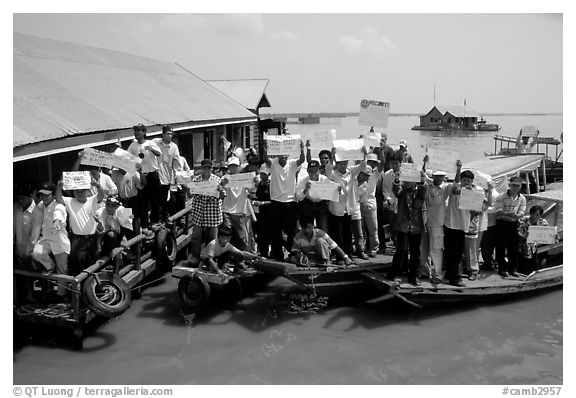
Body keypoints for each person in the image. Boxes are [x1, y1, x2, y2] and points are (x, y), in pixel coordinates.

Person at [262, 138, 306, 261]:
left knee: (291, 231)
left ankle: (293, 253)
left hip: (290, 202)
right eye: (281, 154)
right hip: (276, 202)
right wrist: (265, 149)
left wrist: (302, 148)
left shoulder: (292, 163)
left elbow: (302, 159)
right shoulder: (273, 163)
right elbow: (266, 159)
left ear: (288, 154)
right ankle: (277, 253)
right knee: (275, 230)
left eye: (285, 154)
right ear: (277, 154)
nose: (283, 156)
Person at [56, 175, 105, 276]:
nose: (79, 193)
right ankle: (77, 289)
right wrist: (59, 186)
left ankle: (90, 286)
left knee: (92, 263)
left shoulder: (92, 200)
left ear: (88, 191)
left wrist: (98, 186)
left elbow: (101, 195)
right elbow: (59, 198)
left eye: (82, 190)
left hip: (92, 238)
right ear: (73, 192)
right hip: (77, 239)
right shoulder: (70, 201)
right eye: (77, 190)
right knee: (76, 264)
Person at [326, 148, 368, 260]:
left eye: (344, 163)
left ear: (347, 163)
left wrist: (364, 153)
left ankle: (348, 254)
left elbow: (363, 165)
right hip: (336, 208)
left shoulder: (351, 171)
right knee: (336, 234)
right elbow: (328, 169)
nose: (343, 166)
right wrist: (332, 156)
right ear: (337, 164)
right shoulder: (333, 174)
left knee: (347, 233)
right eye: (340, 164)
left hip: (348, 208)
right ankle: (339, 256)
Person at [30, 182, 71, 298]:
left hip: (59, 240)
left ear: (53, 195)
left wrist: (57, 223)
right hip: (46, 239)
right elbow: (34, 209)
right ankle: (50, 266)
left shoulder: (58, 206)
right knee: (36, 253)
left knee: (62, 270)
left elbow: (58, 216)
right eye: (42, 195)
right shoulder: (42, 205)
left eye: (47, 195)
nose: (44, 197)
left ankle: (61, 295)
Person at [385, 175, 427, 286]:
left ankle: (413, 276)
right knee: (401, 250)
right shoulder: (403, 192)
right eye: (406, 180)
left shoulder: (419, 193)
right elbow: (396, 190)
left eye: (410, 180)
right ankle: (392, 274)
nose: (407, 182)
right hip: (403, 226)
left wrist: (422, 181)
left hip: (416, 227)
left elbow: (423, 190)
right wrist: (397, 180)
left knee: (415, 252)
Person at [188, 159, 227, 261]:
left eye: (208, 168)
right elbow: (189, 194)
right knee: (196, 238)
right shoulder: (196, 180)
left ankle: (210, 260)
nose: (206, 170)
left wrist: (221, 190)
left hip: (213, 215)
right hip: (198, 214)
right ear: (201, 168)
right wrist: (186, 185)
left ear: (211, 169)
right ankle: (195, 258)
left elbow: (223, 196)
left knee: (212, 240)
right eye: (204, 167)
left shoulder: (217, 180)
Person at [183, 225, 260, 276]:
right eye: (223, 238)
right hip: (205, 258)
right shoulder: (213, 244)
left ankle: (227, 267)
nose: (225, 240)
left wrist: (255, 256)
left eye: (227, 238)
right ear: (219, 237)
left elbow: (242, 253)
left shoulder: (227, 245)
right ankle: (214, 268)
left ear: (230, 238)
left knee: (235, 253)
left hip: (217, 257)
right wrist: (218, 271)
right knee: (212, 266)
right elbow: (210, 259)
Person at [127, 124, 162, 229]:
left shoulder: (150, 143)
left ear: (144, 132)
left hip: (152, 174)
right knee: (143, 201)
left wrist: (150, 149)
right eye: (135, 131)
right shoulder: (133, 145)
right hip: (141, 175)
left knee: (155, 200)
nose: (136, 133)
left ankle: (155, 221)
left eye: (138, 131)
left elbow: (159, 153)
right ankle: (145, 224)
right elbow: (128, 157)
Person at [443, 162, 472, 287]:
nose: (466, 182)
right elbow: (455, 184)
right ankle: (453, 276)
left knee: (458, 253)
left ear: (471, 181)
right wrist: (459, 169)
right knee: (450, 252)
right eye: (464, 180)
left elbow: (476, 209)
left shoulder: (473, 193)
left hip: (462, 227)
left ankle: (454, 276)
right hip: (450, 224)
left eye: (468, 180)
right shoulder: (454, 189)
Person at [493, 176, 526, 277]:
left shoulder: (522, 198)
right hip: (502, 223)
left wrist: (517, 215)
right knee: (500, 246)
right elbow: (497, 211)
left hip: (513, 223)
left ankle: (513, 269)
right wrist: (506, 214)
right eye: (513, 185)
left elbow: (522, 211)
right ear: (509, 185)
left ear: (520, 186)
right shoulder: (501, 196)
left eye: (517, 185)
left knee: (513, 247)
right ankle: (502, 268)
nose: (515, 187)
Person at [421, 170, 451, 284]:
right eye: (436, 176)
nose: (438, 178)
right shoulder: (428, 186)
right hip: (424, 222)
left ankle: (438, 274)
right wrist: (425, 162)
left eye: (441, 176)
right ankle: (425, 272)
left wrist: (458, 169)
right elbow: (422, 175)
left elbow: (456, 183)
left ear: (443, 177)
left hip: (437, 224)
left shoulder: (445, 189)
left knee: (436, 249)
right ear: (433, 177)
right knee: (424, 250)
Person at [221, 156, 253, 252]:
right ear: (228, 168)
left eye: (235, 166)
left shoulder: (244, 178)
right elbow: (218, 187)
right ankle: (226, 258)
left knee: (241, 237)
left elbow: (251, 189)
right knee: (226, 236)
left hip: (239, 212)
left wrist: (254, 181)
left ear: (239, 167)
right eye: (231, 166)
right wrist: (222, 184)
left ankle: (241, 260)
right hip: (227, 211)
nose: (233, 168)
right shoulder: (225, 178)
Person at [357, 152, 384, 257]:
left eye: (374, 162)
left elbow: (382, 164)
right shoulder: (359, 171)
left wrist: (381, 150)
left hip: (371, 203)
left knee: (373, 228)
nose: (372, 164)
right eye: (370, 161)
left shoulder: (376, 173)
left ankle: (374, 249)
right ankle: (362, 249)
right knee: (360, 230)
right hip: (359, 203)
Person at [152, 125, 181, 222]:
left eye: (171, 134)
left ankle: (164, 219)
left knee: (165, 201)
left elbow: (176, 164)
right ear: (163, 134)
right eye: (168, 134)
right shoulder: (156, 142)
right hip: (156, 176)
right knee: (155, 201)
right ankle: (155, 220)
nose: (170, 136)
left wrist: (177, 177)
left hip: (167, 178)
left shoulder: (174, 147)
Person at [13, 183, 43, 268]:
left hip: (29, 254)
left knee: (31, 277)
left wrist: (26, 254)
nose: (20, 201)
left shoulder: (37, 212)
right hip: (16, 252)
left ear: (30, 196)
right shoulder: (16, 207)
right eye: (19, 198)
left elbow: (34, 237)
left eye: (23, 198)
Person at [296, 159, 330, 232]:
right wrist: (305, 190)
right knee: (308, 228)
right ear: (307, 171)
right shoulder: (303, 181)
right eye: (311, 171)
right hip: (309, 203)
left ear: (319, 170)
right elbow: (299, 197)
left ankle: (323, 243)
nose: (313, 173)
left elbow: (331, 192)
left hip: (321, 204)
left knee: (323, 229)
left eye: (315, 171)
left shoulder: (324, 179)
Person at [517, 205, 553, 274]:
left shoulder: (543, 222)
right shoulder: (523, 220)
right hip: (521, 247)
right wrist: (523, 237)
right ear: (530, 213)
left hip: (533, 248)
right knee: (521, 268)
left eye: (537, 214)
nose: (534, 216)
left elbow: (547, 237)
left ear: (540, 215)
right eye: (533, 214)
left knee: (533, 267)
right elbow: (517, 231)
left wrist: (553, 236)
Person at [380, 152, 403, 248]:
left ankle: (401, 245)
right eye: (392, 163)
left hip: (402, 205)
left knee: (402, 226)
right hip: (391, 205)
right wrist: (388, 199)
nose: (394, 165)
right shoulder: (387, 174)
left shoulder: (406, 173)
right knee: (392, 226)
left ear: (400, 163)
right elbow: (385, 188)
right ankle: (395, 243)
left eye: (396, 163)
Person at [253, 163, 273, 258]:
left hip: (270, 213)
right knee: (261, 235)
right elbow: (258, 196)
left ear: (268, 175)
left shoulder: (272, 185)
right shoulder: (260, 184)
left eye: (264, 174)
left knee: (271, 234)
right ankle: (263, 254)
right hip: (261, 214)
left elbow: (274, 200)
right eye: (261, 174)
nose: (262, 176)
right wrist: (252, 197)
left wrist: (263, 203)